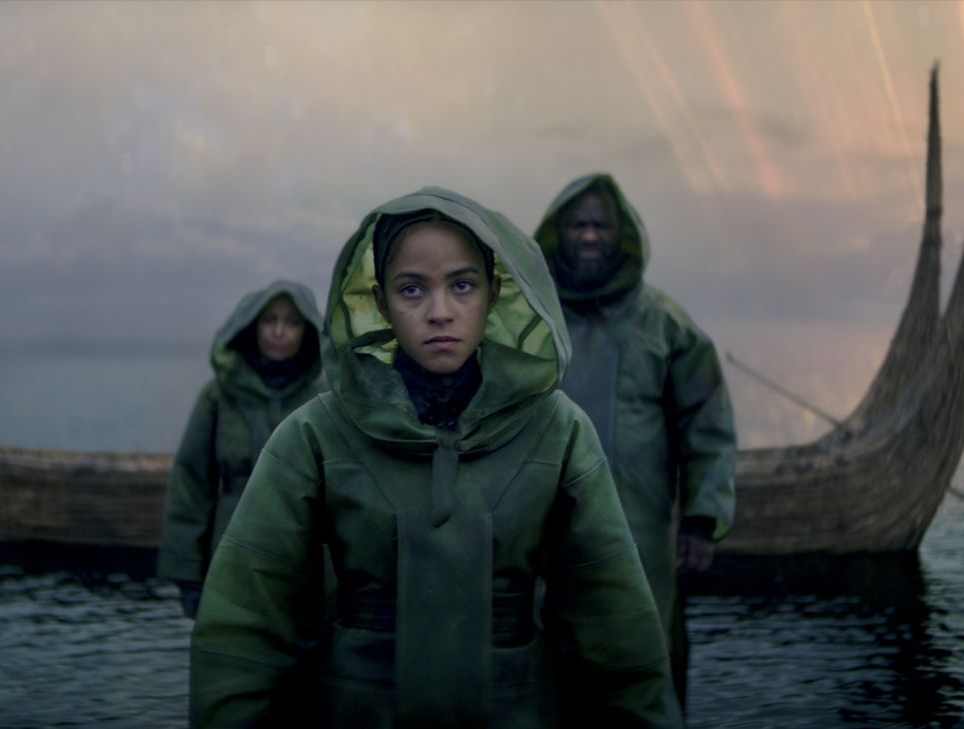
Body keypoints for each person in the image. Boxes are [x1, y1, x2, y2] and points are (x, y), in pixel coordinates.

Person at [189, 187, 682, 728]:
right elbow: (246, 633)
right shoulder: (314, 435)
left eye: (462, 285)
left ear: (494, 293)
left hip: (517, 709)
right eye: (412, 289)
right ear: (380, 303)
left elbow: (616, 637)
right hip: (357, 709)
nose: (440, 312)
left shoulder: (558, 432)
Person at [533, 173, 737, 705]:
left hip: (642, 531)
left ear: (621, 234)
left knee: (648, 660)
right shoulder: (531, 322)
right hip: (543, 529)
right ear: (558, 234)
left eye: (602, 225)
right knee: (547, 660)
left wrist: (699, 520)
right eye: (578, 225)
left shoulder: (665, 324)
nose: (590, 236)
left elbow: (707, 423)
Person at [157, 281, 325, 619]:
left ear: (307, 330)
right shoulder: (218, 396)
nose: (279, 331)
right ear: (252, 326)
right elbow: (192, 482)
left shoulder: (325, 400)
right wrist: (187, 573)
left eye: (291, 322)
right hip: (229, 553)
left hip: (306, 560)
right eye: (269, 320)